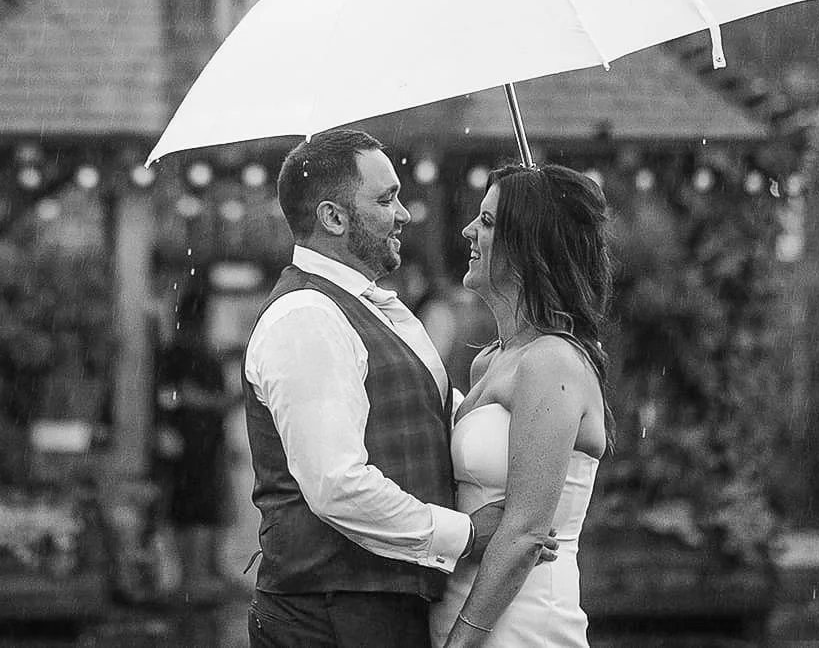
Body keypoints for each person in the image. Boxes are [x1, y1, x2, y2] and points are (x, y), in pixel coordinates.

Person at [242, 129, 555, 648]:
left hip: (374, 609)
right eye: (386, 199)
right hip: (332, 614)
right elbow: (337, 484)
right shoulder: (307, 316)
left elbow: (440, 422)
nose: (404, 214)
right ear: (334, 218)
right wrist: (467, 535)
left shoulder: (370, 307)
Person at [429, 163, 614, 648]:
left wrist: (460, 642)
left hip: (522, 624)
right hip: (462, 603)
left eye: (488, 222)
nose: (469, 231)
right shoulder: (490, 361)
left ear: (530, 246)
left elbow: (528, 532)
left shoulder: (552, 362)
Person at [153, 278, 237, 602]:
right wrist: (207, 402)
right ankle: (192, 578)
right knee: (192, 508)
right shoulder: (176, 355)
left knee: (206, 507)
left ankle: (204, 574)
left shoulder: (204, 355)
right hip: (187, 446)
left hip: (206, 443)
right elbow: (170, 396)